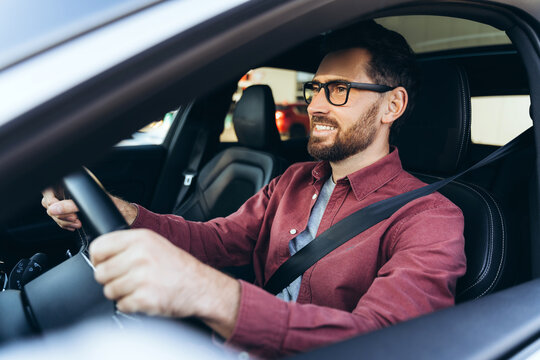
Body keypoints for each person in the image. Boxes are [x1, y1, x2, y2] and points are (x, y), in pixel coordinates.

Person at [42, 21, 466, 358]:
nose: (315, 105)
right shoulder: (295, 179)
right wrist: (118, 210)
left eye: (338, 90)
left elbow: (387, 344)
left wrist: (212, 295)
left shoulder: (429, 217)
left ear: (392, 105)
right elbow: (214, 240)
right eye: (315, 88)